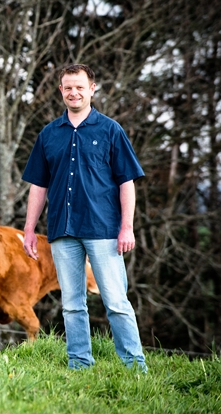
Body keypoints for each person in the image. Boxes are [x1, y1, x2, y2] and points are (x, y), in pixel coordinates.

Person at [21, 64, 147, 372]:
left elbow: (126, 182)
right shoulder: (49, 135)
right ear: (61, 91)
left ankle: (134, 366)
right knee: (72, 305)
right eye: (67, 87)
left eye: (79, 86)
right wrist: (28, 229)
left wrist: (127, 227)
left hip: (103, 230)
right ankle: (79, 363)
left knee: (116, 302)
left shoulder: (110, 130)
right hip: (62, 230)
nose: (73, 92)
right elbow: (38, 186)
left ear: (92, 89)